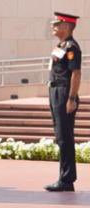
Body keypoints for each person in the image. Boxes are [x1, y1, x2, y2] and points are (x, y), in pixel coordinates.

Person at [46, 11, 82, 192]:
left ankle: (67, 180)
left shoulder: (71, 47)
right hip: (55, 92)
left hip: (64, 93)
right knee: (61, 137)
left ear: (66, 26)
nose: (53, 26)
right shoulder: (60, 46)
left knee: (65, 137)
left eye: (57, 24)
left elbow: (76, 73)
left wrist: (72, 98)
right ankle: (64, 178)